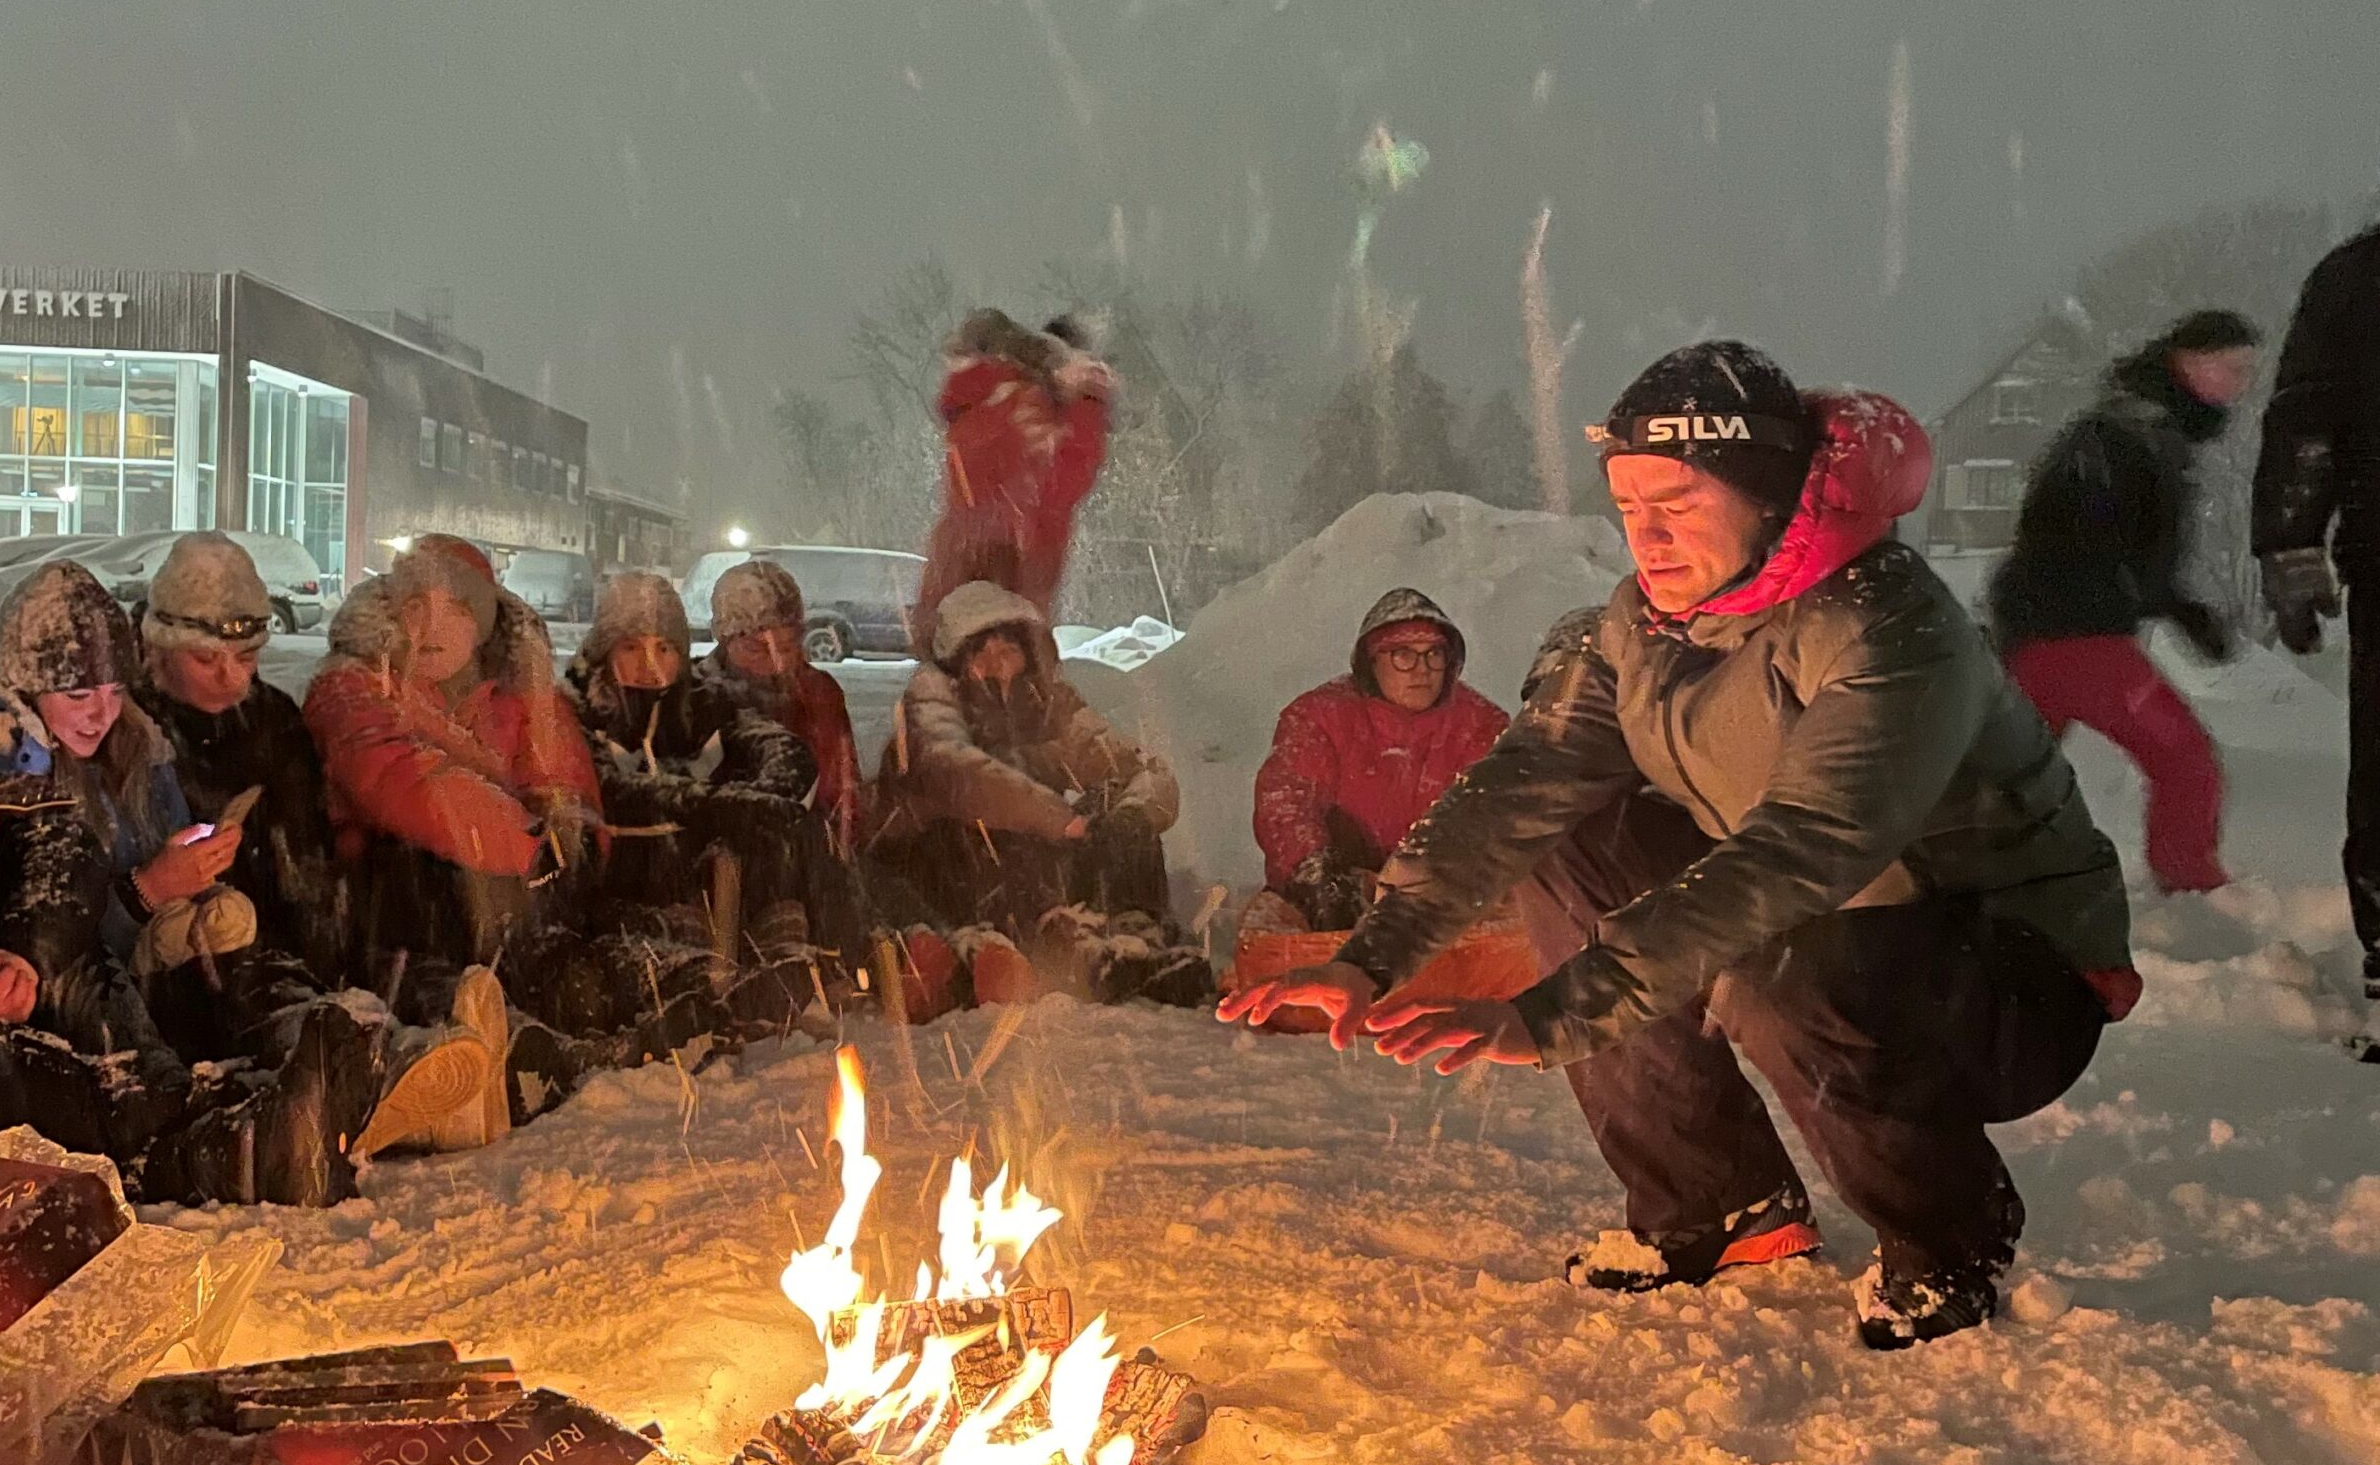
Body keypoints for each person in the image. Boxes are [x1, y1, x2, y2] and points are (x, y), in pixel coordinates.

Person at [1223, 342, 2137, 1349]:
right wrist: (1371, 953)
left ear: (1764, 490)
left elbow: (1801, 852)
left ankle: (1949, 1240)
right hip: (1822, 917)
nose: (1646, 535)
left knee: (1784, 956)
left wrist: (1557, 1011)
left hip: (2007, 967)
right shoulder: (1644, 626)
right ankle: (1720, 1202)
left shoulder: (1888, 627)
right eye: (1626, 505)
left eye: (1679, 499)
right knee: (1575, 835)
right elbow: (1520, 787)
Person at [0, 571, 376, 1206]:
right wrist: (143, 894)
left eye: (113, 689)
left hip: (99, 970)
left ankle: (325, 1059)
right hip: (32, 992)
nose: (102, 712)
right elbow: (32, 905)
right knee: (91, 973)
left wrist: (188, 877)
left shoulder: (133, 751)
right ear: (26, 687)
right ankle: (205, 1128)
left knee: (220, 937)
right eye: (77, 694)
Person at [302, 535, 598, 1124]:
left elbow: (567, 792)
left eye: (459, 608)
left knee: (561, 941)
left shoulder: (520, 700)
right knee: (417, 869)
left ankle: (591, 1005)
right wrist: (532, 845)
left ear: (484, 624)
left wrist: (560, 846)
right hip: (384, 912)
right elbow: (404, 784)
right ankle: (479, 1047)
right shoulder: (356, 685)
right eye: (416, 606)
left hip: (506, 909)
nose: (433, 625)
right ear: (390, 616)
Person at [1989, 311, 2258, 894]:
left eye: (2248, 372)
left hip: (2048, 633)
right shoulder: (2124, 435)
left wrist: (2177, 607)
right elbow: (2083, 538)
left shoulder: (2137, 428)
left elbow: (2123, 547)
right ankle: (2190, 888)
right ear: (2189, 361)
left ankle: (1966, 884)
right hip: (2078, 638)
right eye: (2233, 368)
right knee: (2185, 762)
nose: (2241, 384)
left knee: (2003, 777)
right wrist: (2156, 600)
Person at [868, 579, 1209, 1005]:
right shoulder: (930, 705)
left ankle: (1136, 937)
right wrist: (1061, 821)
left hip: (1036, 861)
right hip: (941, 865)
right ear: (958, 662)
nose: (997, 666)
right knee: (996, 819)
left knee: (1117, 806)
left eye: (1008, 652)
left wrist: (1131, 817)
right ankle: (1035, 948)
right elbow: (966, 777)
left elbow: (1137, 769)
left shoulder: (1051, 704)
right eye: (982, 654)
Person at [558, 568, 830, 1042]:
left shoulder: (704, 702)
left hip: (698, 866)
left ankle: (778, 959)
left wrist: (767, 798)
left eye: (664, 648)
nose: (650, 663)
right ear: (605, 649)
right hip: (622, 867)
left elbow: (778, 747)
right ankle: (690, 983)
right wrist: (709, 802)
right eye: (631, 648)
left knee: (777, 831)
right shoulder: (578, 708)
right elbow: (604, 787)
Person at [130, 531, 348, 983]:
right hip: (169, 964)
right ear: (162, 648)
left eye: (247, 657)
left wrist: (319, 967)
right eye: (205, 660)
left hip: (273, 959)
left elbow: (309, 866)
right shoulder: (121, 726)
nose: (230, 678)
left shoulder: (272, 719)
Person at [2254, 221, 2380, 1003]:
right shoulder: (2360, 279)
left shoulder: (2357, 280)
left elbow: (2306, 421)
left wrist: (2292, 553)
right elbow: (2307, 425)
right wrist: (2293, 557)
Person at [1251, 587, 1510, 930]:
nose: (1423, 670)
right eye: (1403, 654)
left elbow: (1500, 816)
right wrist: (1315, 873)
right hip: (1337, 890)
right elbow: (1285, 804)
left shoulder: (1481, 724)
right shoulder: (1321, 716)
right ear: (1371, 662)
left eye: (1434, 653)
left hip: (1446, 896)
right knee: (1270, 943)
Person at [911, 309, 1115, 652]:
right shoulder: (1024, 405)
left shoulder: (976, 403)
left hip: (959, 586)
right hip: (1010, 586)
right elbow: (1059, 489)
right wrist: (1088, 401)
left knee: (948, 678)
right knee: (1008, 683)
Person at [699, 558, 865, 853]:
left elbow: (843, 795)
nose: (776, 664)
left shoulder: (818, 695)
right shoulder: (696, 698)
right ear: (725, 641)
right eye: (755, 648)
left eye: (786, 647)